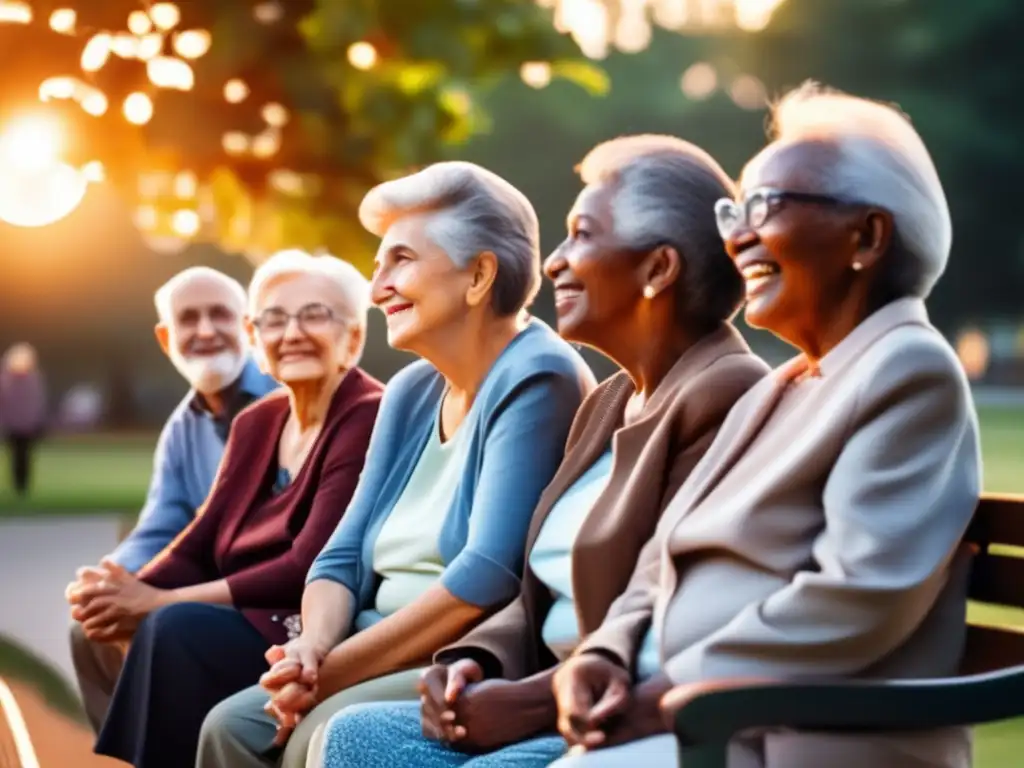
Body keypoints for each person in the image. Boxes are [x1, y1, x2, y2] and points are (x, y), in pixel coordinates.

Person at [546, 83, 980, 768]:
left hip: (790, 732)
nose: (736, 237)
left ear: (865, 236)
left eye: (766, 207)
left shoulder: (908, 369)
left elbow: (857, 599)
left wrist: (670, 689)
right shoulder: (780, 385)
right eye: (734, 210)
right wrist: (604, 652)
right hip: (697, 718)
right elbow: (664, 553)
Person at [314, 135, 771, 768]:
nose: (553, 263)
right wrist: (470, 663)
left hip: (614, 714)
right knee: (353, 739)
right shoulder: (609, 400)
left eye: (581, 235)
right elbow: (534, 596)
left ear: (658, 270)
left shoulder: (725, 393)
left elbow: (670, 609)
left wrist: (530, 699)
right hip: (540, 690)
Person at [196, 161, 595, 768]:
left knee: (312, 734)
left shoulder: (537, 375)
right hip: (360, 641)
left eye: (400, 261)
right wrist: (312, 651)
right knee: (227, 728)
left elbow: (487, 574)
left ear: (479, 275)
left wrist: (327, 676)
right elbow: (342, 554)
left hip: (456, 657)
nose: (376, 284)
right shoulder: (410, 391)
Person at [69, 251, 384, 768]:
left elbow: (308, 562)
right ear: (256, 340)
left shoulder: (367, 413)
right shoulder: (258, 421)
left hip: (311, 624)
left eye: (314, 315)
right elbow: (199, 537)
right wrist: (123, 590)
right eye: (275, 320)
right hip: (249, 614)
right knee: (117, 623)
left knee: (174, 627)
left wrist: (155, 602)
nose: (292, 333)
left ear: (353, 336)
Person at [66, 266, 277, 734]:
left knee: (168, 623)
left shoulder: (288, 398)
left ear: (248, 325)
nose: (205, 330)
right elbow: (161, 526)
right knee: (90, 625)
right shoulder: (183, 427)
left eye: (219, 314)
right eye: (188, 319)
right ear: (166, 338)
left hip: (270, 596)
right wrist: (112, 581)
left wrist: (153, 597)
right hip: (207, 591)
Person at [0, 342, 47, 497]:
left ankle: (22, 486)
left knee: (24, 456)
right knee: (16, 456)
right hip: (13, 425)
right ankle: (18, 485)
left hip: (26, 425)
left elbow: (37, 402)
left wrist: (37, 420)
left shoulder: (33, 380)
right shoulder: (6, 379)